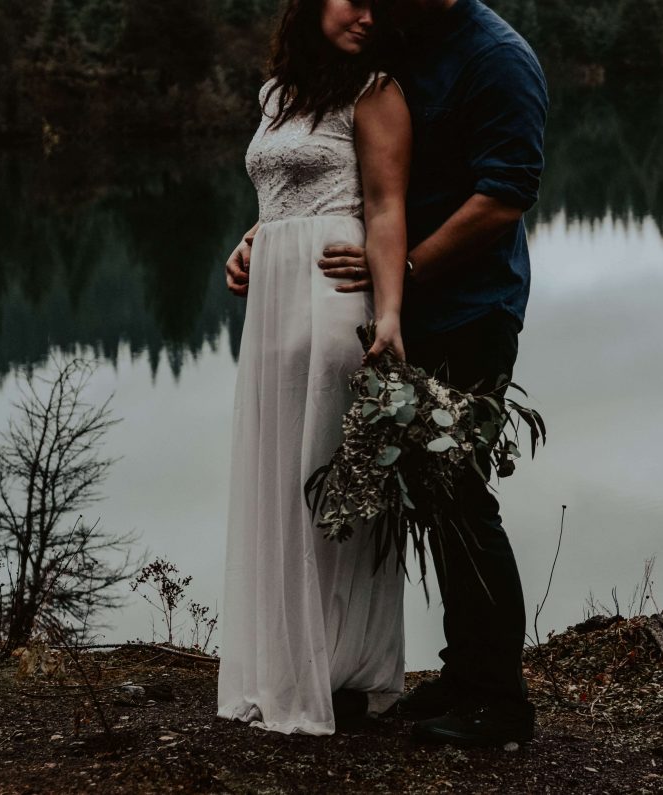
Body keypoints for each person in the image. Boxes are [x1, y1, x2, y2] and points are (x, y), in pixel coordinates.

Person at [230, 0, 549, 747]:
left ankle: (499, 701)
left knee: (460, 493)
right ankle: (460, 674)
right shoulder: (402, 42)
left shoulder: (497, 56)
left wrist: (404, 267)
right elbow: (339, 167)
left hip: (471, 308)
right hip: (397, 301)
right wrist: (263, 235)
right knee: (426, 501)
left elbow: (505, 195)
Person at [216, 0, 412, 736]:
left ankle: (346, 666)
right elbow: (278, 194)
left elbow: (387, 208)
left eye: (377, 4)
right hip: (273, 297)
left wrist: (388, 313)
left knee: (332, 479)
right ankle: (289, 660)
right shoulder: (276, 95)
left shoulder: (377, 91)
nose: (367, 13)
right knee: (277, 470)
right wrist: (253, 238)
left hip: (336, 293)